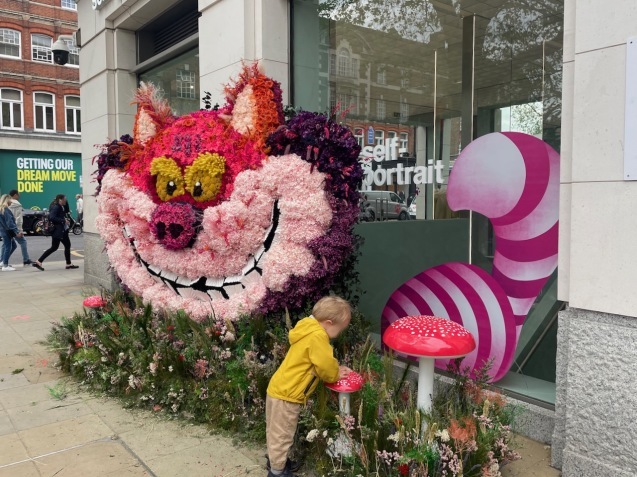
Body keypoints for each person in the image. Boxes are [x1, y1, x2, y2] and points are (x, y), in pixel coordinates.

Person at [265, 296, 353, 477]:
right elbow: (324, 365)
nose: (339, 333)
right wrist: (335, 373)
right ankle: (277, 472)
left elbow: (314, 360)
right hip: (288, 395)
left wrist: (334, 368)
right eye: (339, 329)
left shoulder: (307, 328)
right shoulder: (318, 336)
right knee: (282, 436)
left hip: (279, 388)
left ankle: (277, 461)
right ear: (328, 323)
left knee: (275, 431)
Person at [32, 194, 79, 271]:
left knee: (57, 247)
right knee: (62, 246)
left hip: (61, 230)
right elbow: (52, 217)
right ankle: (68, 264)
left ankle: (39, 261)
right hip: (59, 231)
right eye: (64, 199)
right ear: (60, 200)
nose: (65, 201)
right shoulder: (56, 207)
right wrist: (63, 220)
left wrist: (66, 203)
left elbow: (67, 210)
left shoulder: (61, 206)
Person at [8, 190, 32, 266]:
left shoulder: (7, 203)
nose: (19, 196)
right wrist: (20, 230)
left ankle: (3, 260)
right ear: (15, 195)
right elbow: (18, 219)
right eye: (18, 194)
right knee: (23, 242)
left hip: (7, 227)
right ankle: (26, 259)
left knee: (9, 245)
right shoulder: (17, 204)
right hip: (14, 227)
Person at [0, 194, 23, 271]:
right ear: (7, 200)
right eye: (10, 200)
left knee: (12, 245)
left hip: (3, 231)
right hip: (7, 231)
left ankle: (3, 262)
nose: (11, 202)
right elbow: (10, 223)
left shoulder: (1, 209)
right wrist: (17, 231)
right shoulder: (5, 210)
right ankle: (5, 265)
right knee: (8, 246)